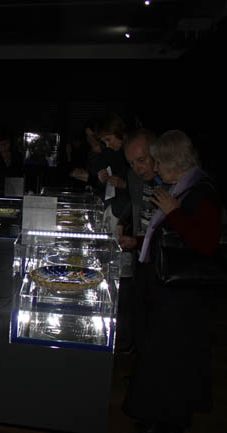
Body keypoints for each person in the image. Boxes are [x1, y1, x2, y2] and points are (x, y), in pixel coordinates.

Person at [122, 130, 223, 433]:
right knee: (161, 358)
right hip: (169, 290)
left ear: (173, 161)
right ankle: (155, 415)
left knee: (174, 361)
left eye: (158, 162)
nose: (154, 168)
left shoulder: (200, 191)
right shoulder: (182, 187)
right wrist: (137, 241)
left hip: (183, 295)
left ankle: (169, 422)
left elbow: (205, 244)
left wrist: (175, 213)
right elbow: (168, 237)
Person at [115, 128, 159, 354]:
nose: (137, 168)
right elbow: (134, 203)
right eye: (132, 163)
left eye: (141, 160)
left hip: (159, 257)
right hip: (139, 251)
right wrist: (122, 222)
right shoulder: (134, 177)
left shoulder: (170, 181)